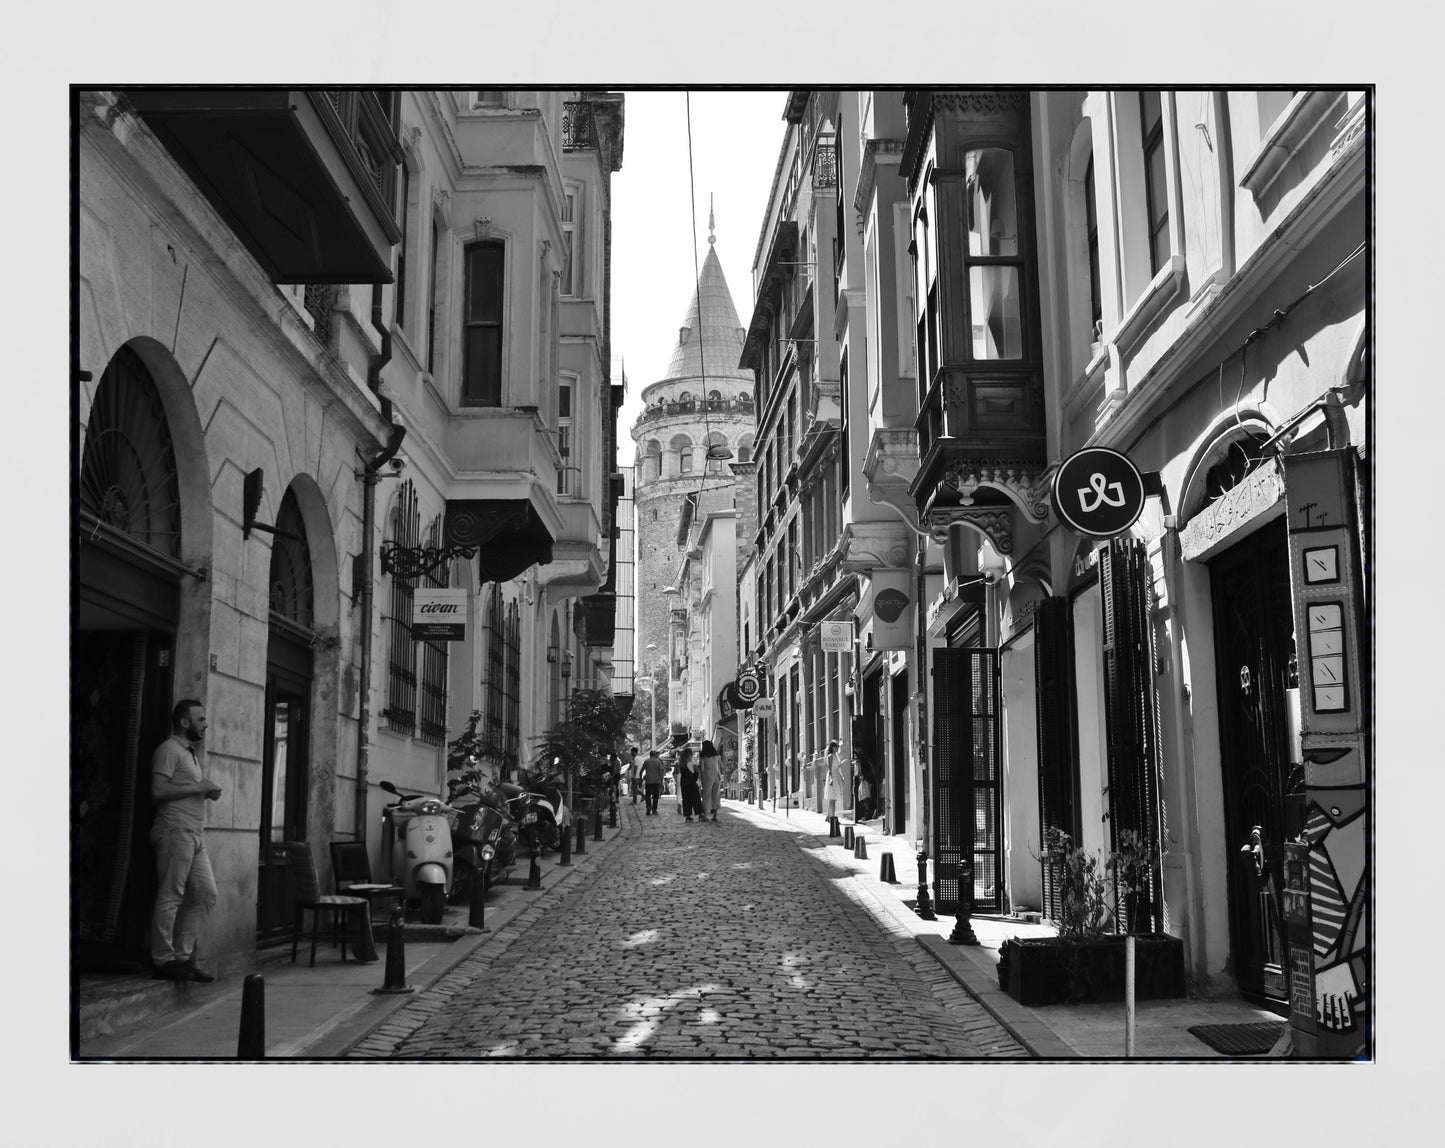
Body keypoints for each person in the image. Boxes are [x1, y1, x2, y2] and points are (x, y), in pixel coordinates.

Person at [149, 698, 222, 982]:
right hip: (174, 830)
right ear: (184, 721)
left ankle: (183, 957)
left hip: (194, 832)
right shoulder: (168, 750)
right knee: (171, 895)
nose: (205, 723)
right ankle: (163, 960)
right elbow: (157, 790)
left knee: (206, 893)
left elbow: (183, 788)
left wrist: (203, 791)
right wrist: (198, 787)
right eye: (200, 719)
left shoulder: (189, 753)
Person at [699, 739, 723, 823]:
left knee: (707, 795)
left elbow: (702, 769)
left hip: (707, 777)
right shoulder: (717, 756)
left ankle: (706, 815)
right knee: (716, 795)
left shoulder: (703, 757)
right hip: (716, 776)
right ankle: (715, 816)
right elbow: (722, 766)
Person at [678, 746, 703, 822]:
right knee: (696, 798)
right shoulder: (692, 762)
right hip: (691, 781)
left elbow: (679, 773)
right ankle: (700, 814)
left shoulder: (681, 763)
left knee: (686, 799)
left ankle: (688, 815)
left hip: (683, 782)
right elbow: (697, 771)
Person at [641, 747, 665, 815]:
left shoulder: (646, 761)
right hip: (656, 781)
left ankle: (648, 808)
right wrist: (662, 781)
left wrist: (640, 778)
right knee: (655, 796)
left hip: (648, 781)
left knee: (648, 795)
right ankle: (654, 810)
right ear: (655, 755)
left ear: (650, 755)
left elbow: (641, 771)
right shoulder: (658, 762)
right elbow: (661, 772)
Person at [823, 739, 840, 819]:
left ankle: (829, 816)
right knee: (832, 798)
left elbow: (837, 767)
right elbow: (829, 768)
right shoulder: (830, 756)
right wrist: (831, 779)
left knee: (834, 798)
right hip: (832, 776)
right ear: (832, 747)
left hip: (836, 777)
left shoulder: (836, 756)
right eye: (836, 746)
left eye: (838, 746)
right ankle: (832, 817)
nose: (837, 748)